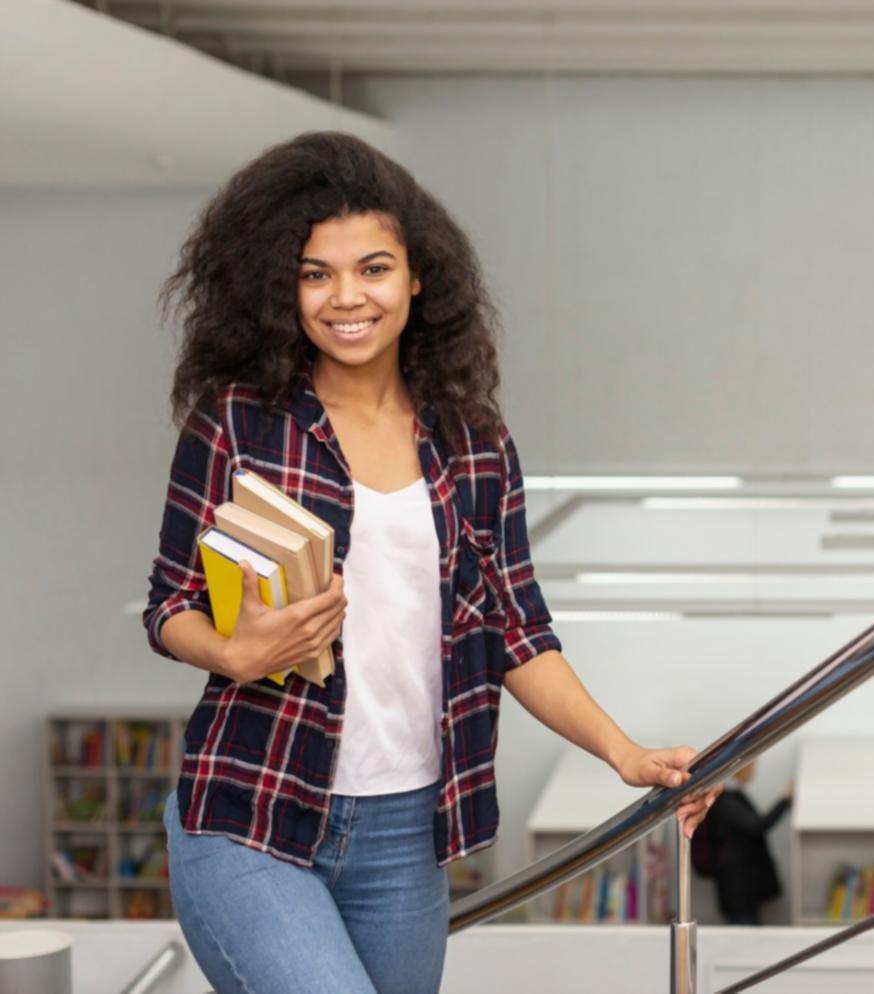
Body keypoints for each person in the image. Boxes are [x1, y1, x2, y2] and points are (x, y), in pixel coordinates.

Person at [143, 131, 720, 994]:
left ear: (417, 278)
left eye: (373, 268)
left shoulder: (475, 444)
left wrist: (624, 754)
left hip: (404, 836)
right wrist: (234, 651)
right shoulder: (239, 422)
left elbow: (518, 634)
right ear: (281, 288)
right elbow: (169, 605)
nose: (346, 297)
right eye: (314, 273)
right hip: (248, 812)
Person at [703, 761, 791, 925]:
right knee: (742, 935)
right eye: (752, 767)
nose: (754, 771)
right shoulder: (725, 801)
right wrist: (785, 800)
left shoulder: (734, 796)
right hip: (736, 888)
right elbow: (757, 825)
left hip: (744, 886)